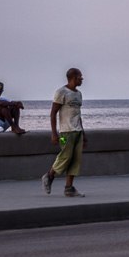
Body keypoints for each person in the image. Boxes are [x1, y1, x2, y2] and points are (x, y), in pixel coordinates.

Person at [41, 68, 87, 197]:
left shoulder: (78, 94)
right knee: (65, 156)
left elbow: (78, 115)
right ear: (73, 77)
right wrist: (54, 133)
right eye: (80, 77)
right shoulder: (61, 92)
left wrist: (84, 134)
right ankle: (49, 176)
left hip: (77, 132)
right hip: (65, 134)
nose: (82, 79)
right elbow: (53, 113)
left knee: (75, 160)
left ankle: (69, 188)